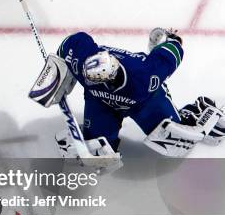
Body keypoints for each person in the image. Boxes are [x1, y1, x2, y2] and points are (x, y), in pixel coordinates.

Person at [30, 28, 225, 160]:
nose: (98, 82)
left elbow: (169, 56)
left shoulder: (144, 76)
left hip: (145, 102)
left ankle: (199, 111)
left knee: (178, 142)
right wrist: (58, 72)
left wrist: (172, 41)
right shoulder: (83, 64)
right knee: (101, 152)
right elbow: (72, 42)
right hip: (100, 104)